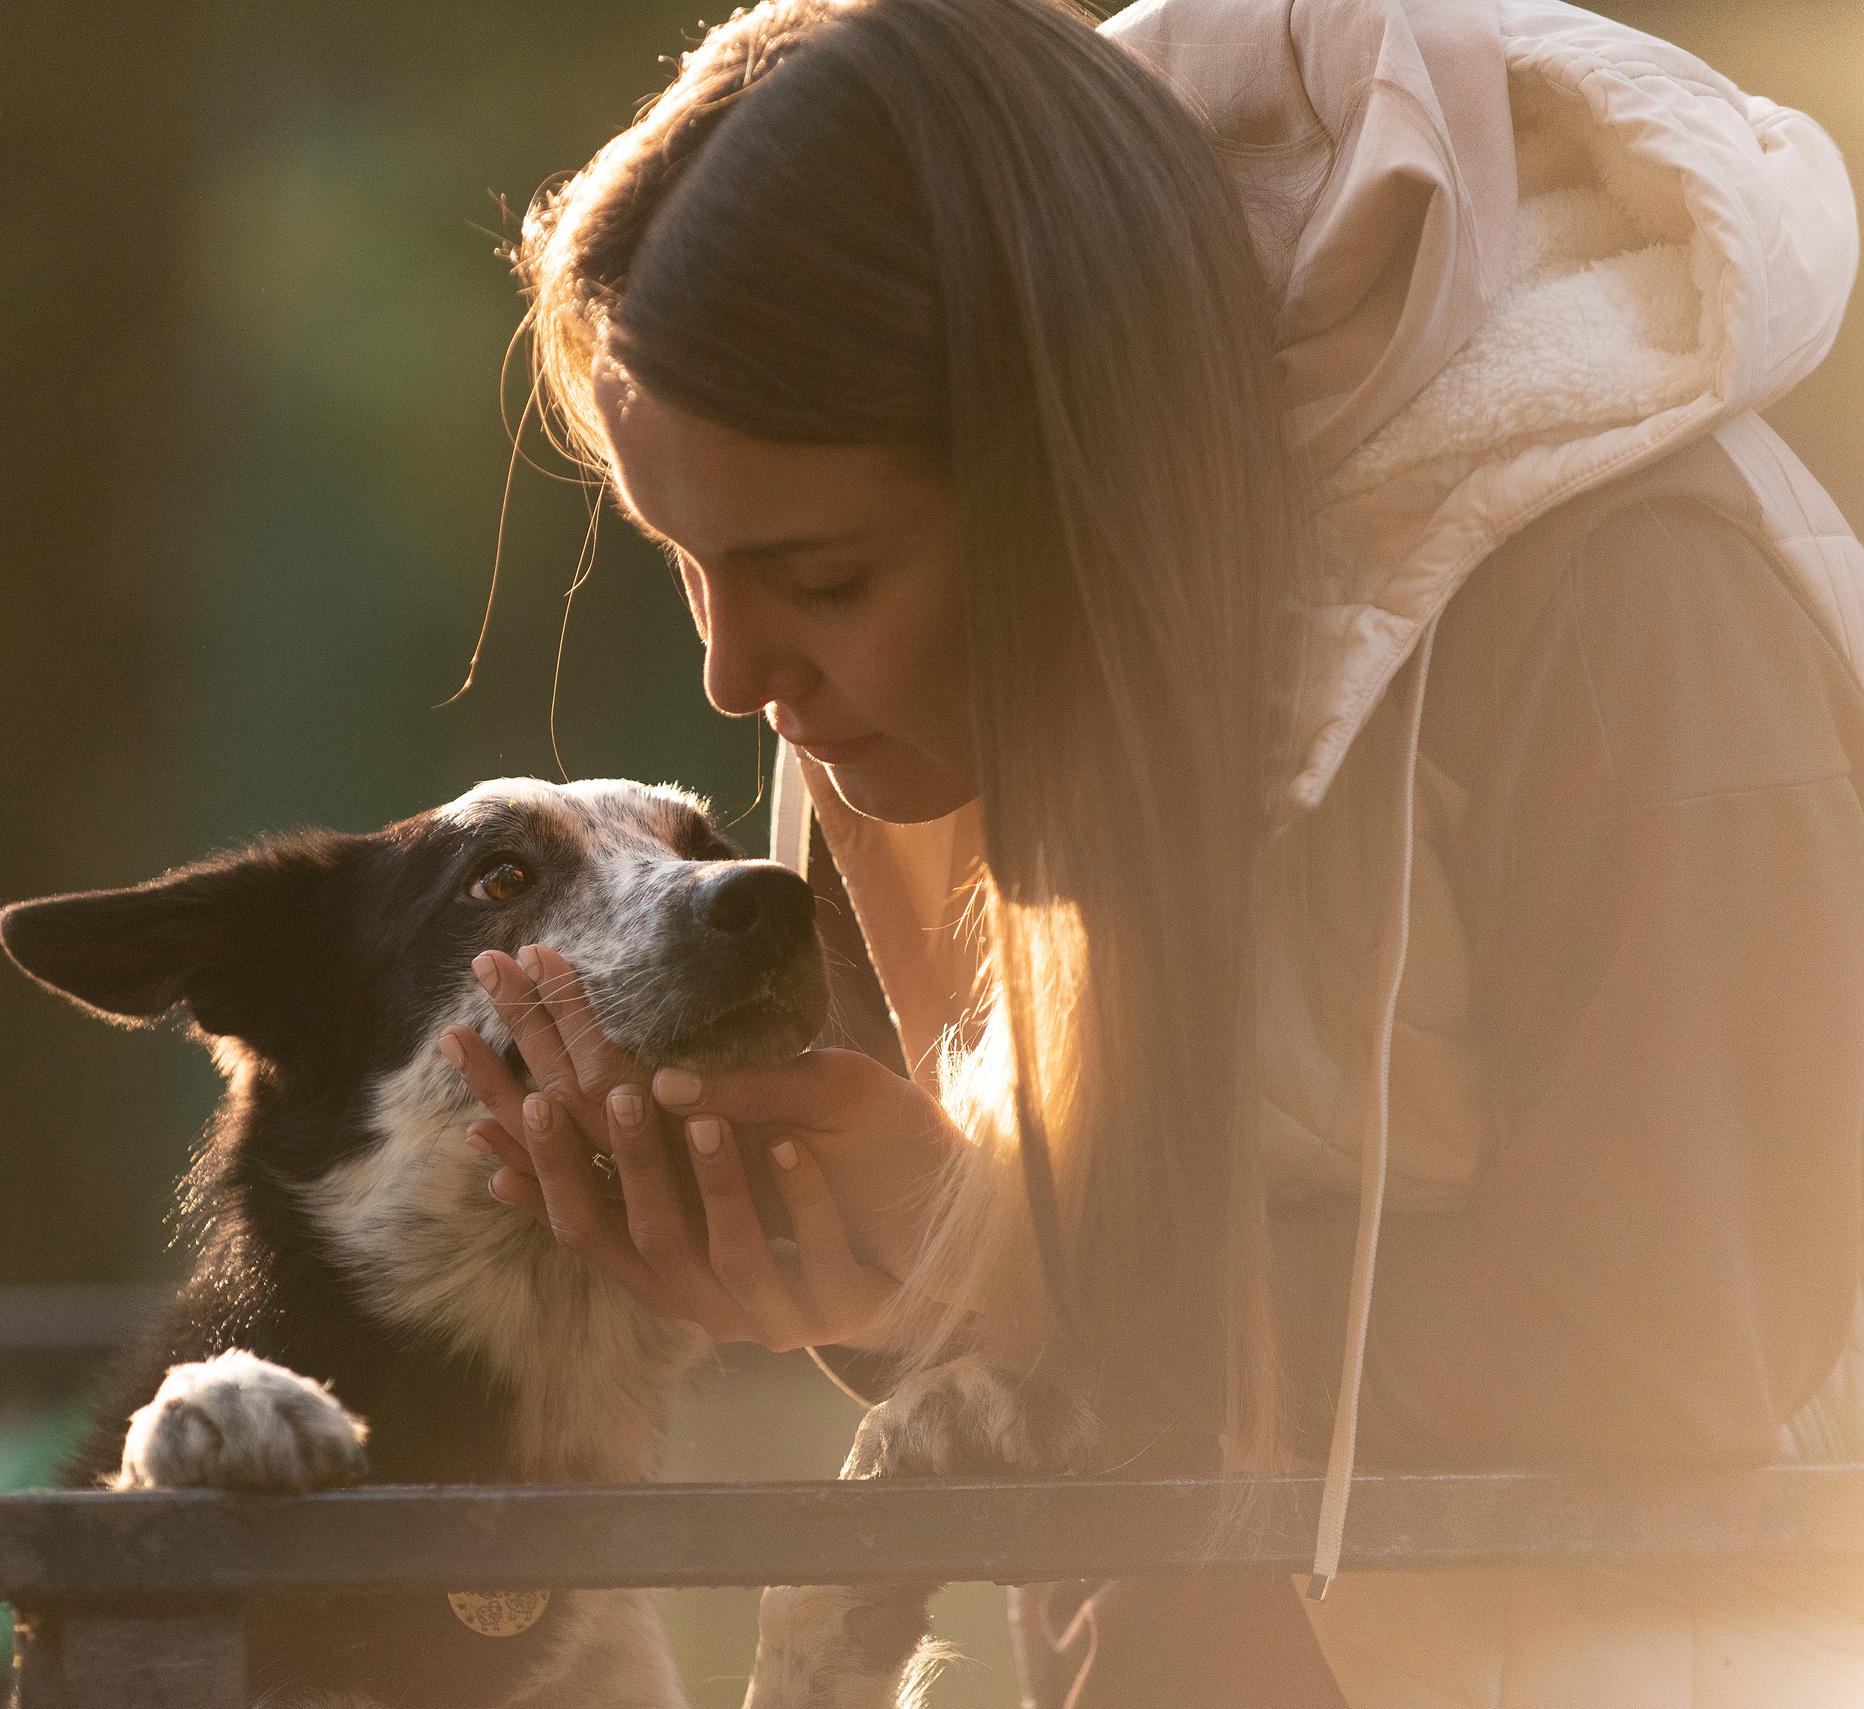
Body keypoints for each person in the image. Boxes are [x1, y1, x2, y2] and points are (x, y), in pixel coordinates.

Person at [437, 0, 1864, 1702]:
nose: (733, 677)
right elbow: (1082, 1358)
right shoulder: (938, 686)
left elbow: (1677, 1342)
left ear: (1080, 471)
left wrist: (994, 1244)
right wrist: (855, 1258)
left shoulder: (1635, 608)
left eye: (821, 582)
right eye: (687, 560)